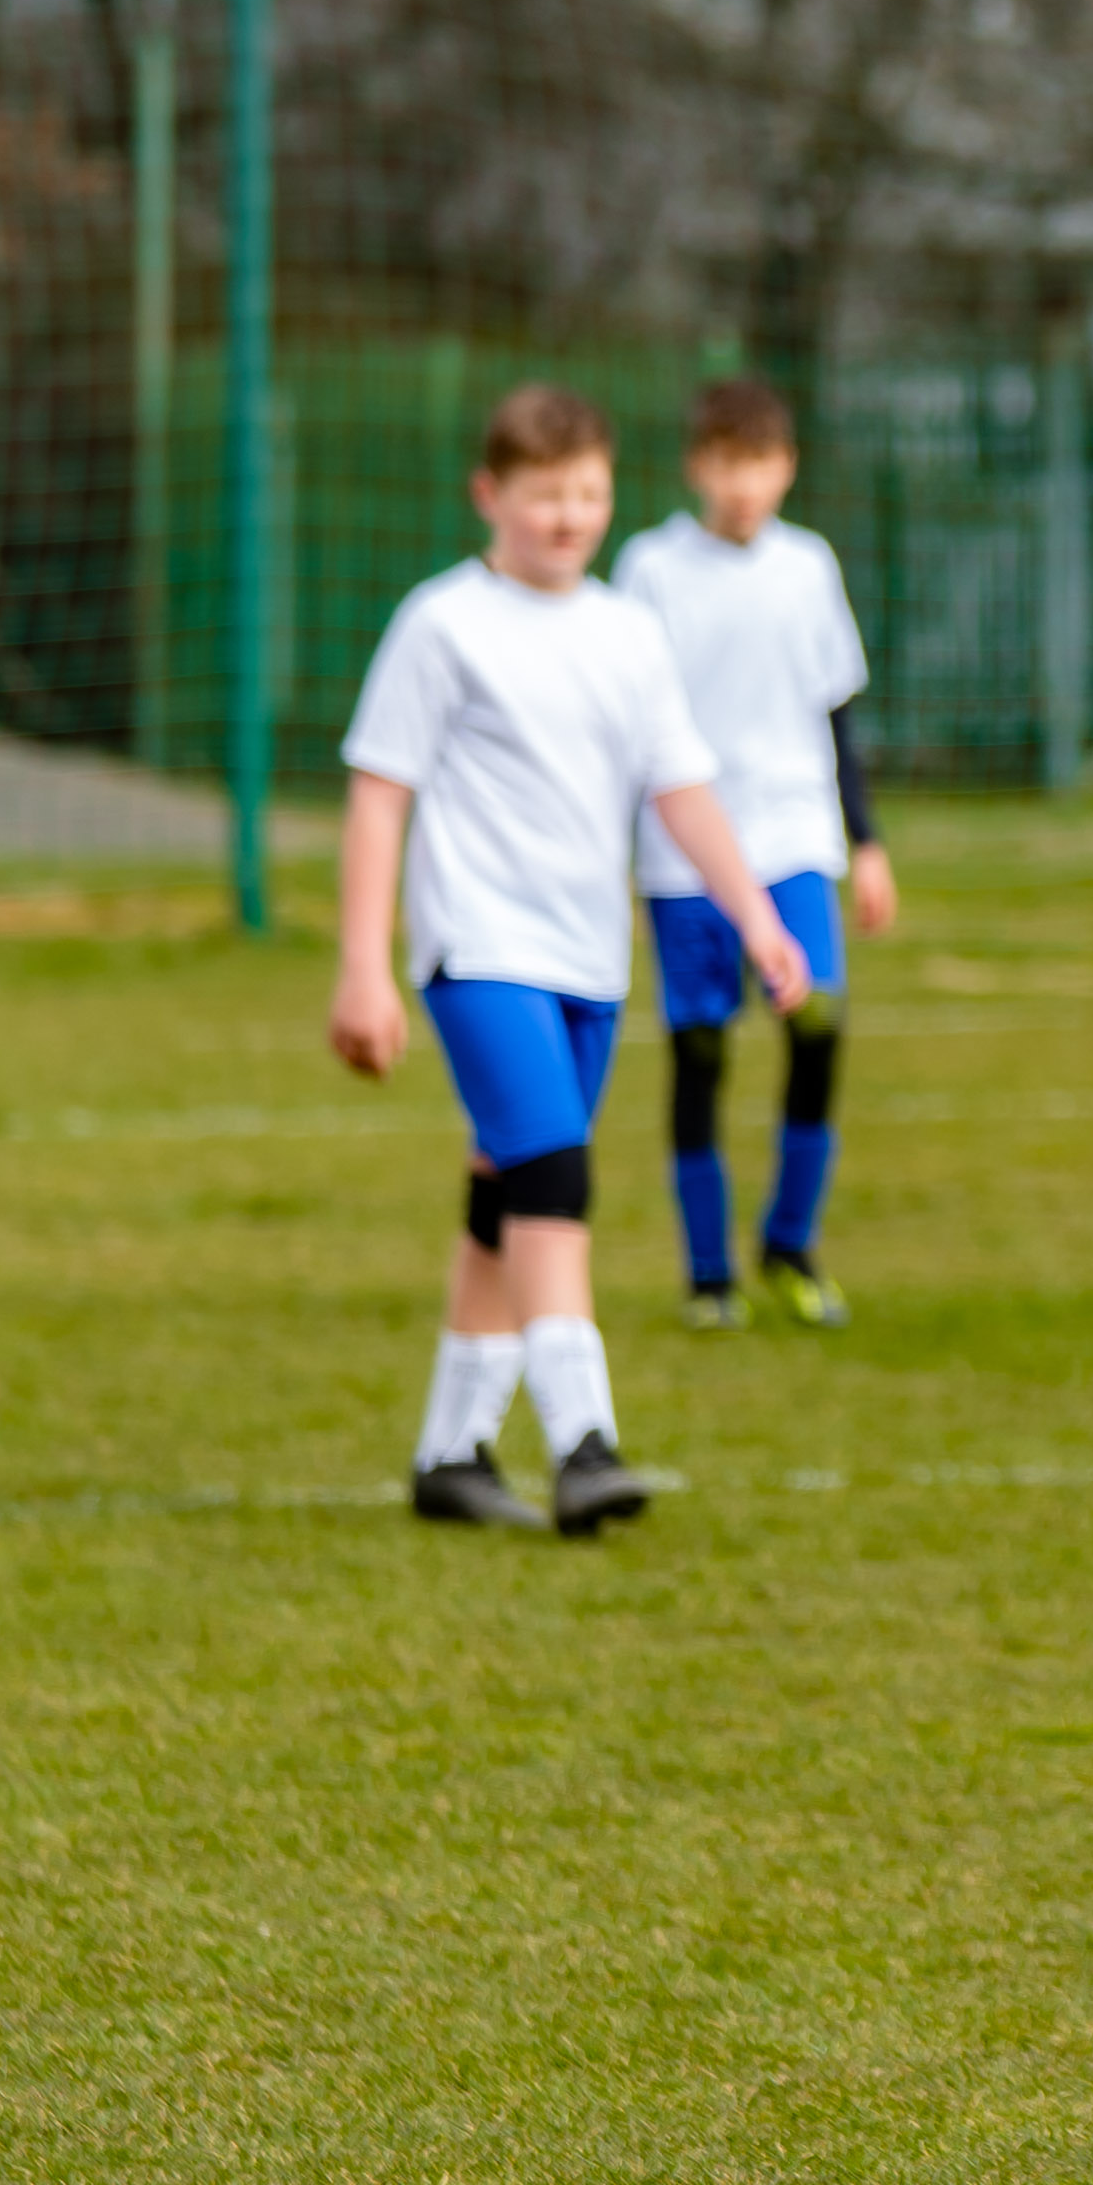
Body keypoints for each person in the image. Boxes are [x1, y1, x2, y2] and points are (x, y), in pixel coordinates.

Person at [331, 384, 815, 1536]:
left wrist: (756, 915)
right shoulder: (442, 624)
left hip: (590, 959)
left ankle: (452, 1453)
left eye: (588, 494)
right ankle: (584, 1440)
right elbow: (377, 796)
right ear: (490, 495)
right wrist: (365, 965)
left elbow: (681, 789)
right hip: (480, 948)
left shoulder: (627, 630)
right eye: (545, 497)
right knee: (555, 1173)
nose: (568, 518)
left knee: (509, 1189)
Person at [618, 376, 895, 1333]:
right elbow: (621, 720)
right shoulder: (649, 568)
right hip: (682, 849)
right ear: (698, 466)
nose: (744, 484)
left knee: (816, 1026)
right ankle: (707, 1278)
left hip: (793, 839)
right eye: (727, 463)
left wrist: (867, 844)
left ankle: (790, 1243)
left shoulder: (807, 566)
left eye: (762, 464)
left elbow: (836, 710)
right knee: (699, 1051)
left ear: (787, 468)